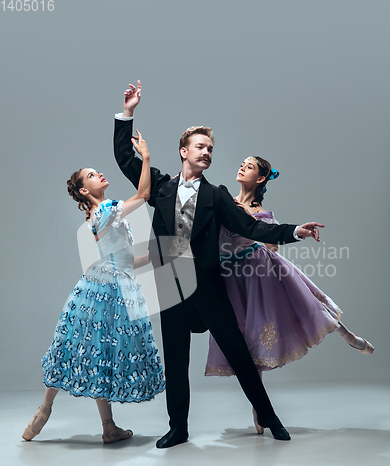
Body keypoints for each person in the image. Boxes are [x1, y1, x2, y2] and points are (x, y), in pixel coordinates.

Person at [114, 80, 324, 447]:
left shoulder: (217, 194)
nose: (207, 152)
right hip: (168, 281)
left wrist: (295, 232)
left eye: (211, 148)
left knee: (237, 351)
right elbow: (125, 159)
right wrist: (127, 113)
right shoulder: (159, 186)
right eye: (200, 146)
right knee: (176, 359)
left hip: (207, 281)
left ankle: (271, 418)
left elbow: (250, 225)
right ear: (183, 151)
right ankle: (178, 428)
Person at [205, 155, 374, 433]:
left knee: (310, 305)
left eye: (249, 166)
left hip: (261, 274)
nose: (242, 167)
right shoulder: (225, 200)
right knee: (247, 338)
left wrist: (247, 219)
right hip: (231, 278)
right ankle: (260, 409)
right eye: (243, 163)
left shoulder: (259, 209)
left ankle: (349, 336)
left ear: (260, 179)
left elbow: (273, 244)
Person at [22, 131, 165, 444]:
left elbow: (126, 262)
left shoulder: (102, 216)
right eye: (91, 174)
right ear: (85, 190)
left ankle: (95, 423)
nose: (99, 173)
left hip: (101, 287)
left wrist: (156, 257)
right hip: (108, 291)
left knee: (90, 350)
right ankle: (59, 412)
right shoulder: (105, 210)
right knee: (95, 350)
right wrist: (147, 159)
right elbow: (142, 195)